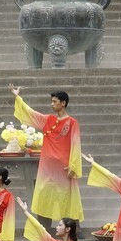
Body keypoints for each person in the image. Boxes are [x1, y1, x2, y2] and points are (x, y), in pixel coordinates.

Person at [10, 85, 83, 227]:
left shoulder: (72, 123)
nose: (52, 104)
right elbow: (31, 114)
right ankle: (44, 229)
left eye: (54, 101)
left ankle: (74, 229)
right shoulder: (48, 120)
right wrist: (17, 97)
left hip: (63, 168)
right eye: (51, 101)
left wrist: (73, 165)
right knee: (44, 196)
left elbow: (75, 144)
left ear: (63, 103)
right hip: (47, 168)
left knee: (67, 197)